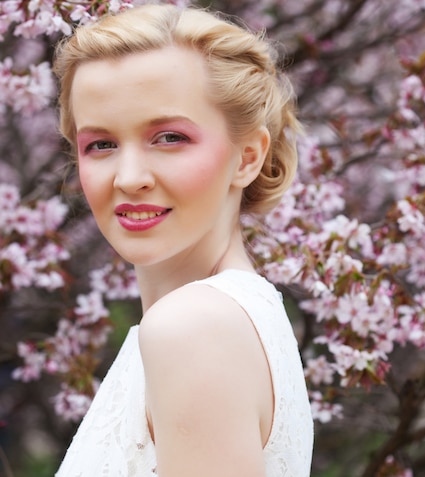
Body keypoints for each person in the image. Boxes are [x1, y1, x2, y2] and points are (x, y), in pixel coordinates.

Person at [53, 3, 314, 476]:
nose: (129, 178)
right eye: (102, 145)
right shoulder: (239, 317)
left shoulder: (193, 328)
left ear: (247, 157)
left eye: (169, 138)